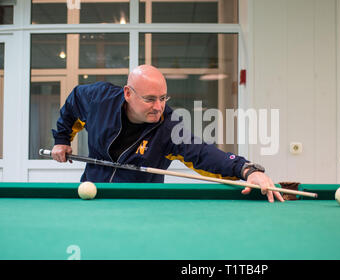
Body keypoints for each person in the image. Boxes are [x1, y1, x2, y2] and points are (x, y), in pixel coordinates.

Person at [51, 65, 284, 203]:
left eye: (163, 98)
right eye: (150, 99)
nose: (158, 107)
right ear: (128, 93)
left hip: (140, 206)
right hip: (93, 196)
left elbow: (203, 153)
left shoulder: (169, 128)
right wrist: (62, 139)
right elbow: (73, 103)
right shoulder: (99, 99)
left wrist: (247, 170)